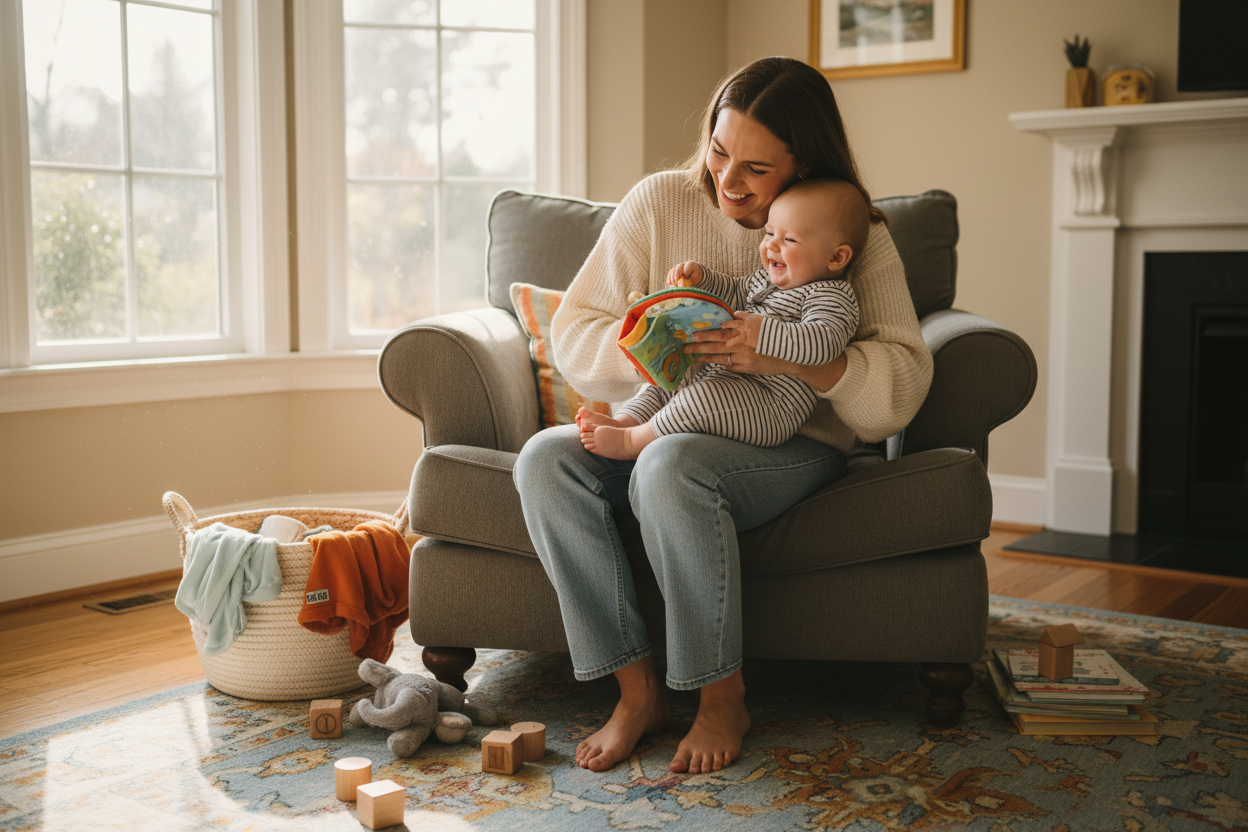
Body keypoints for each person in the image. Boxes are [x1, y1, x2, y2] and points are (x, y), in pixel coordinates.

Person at [512, 56, 933, 776]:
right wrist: (653, 342)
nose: (726, 183)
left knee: (667, 464)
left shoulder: (844, 230)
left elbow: (898, 391)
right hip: (676, 410)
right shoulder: (657, 205)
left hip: (786, 439)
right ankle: (637, 690)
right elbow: (577, 328)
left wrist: (794, 359)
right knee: (545, 461)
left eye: (756, 169)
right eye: (717, 150)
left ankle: (719, 698)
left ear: (803, 165)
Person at [580, 178, 866, 460]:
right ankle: (626, 421)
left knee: (700, 399)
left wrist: (760, 333)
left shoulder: (832, 296)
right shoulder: (768, 280)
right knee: (672, 380)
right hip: (724, 381)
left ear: (837, 257)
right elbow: (737, 291)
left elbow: (824, 342)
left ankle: (632, 442)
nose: (771, 246)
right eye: (769, 234)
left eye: (788, 239)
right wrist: (704, 279)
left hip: (770, 406)